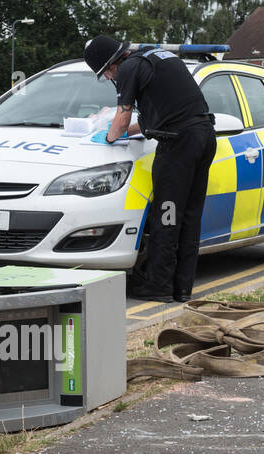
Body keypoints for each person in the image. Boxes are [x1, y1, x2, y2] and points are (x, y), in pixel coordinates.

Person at [83, 34, 216, 302]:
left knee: (166, 215)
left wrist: (107, 136)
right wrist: (121, 131)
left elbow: (122, 119)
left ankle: (158, 286)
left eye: (106, 74)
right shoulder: (157, 58)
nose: (109, 79)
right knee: (190, 216)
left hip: (177, 144)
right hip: (203, 136)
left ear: (111, 65)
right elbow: (153, 118)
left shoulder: (129, 69)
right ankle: (181, 288)